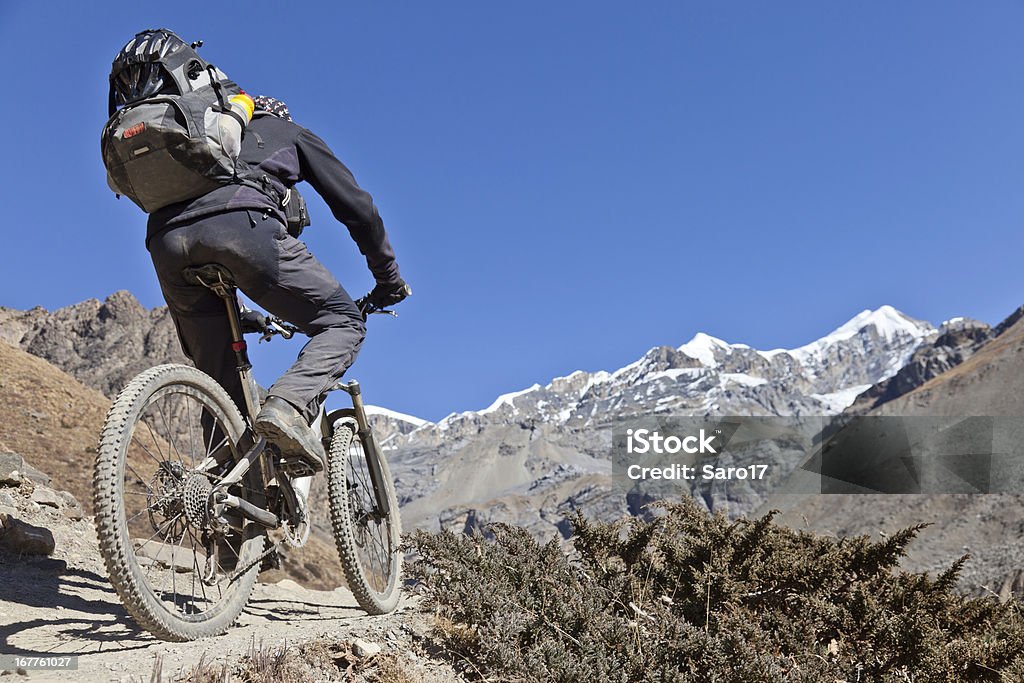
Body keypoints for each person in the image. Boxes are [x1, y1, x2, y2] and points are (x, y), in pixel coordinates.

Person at [109, 30, 411, 473]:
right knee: (342, 321)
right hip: (242, 228)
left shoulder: (193, 138)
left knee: (220, 385)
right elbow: (358, 209)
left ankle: (221, 499)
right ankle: (288, 405)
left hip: (165, 243)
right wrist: (387, 278)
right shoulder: (287, 132)